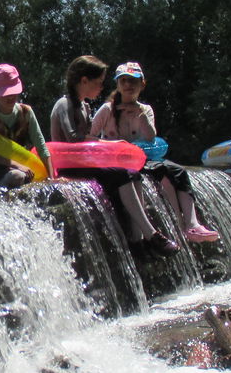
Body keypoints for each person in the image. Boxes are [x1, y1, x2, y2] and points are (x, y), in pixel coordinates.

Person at [50, 55, 179, 256]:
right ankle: (152, 235)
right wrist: (111, 144)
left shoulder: (85, 106)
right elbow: (74, 139)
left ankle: (139, 241)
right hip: (70, 165)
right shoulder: (64, 104)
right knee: (121, 174)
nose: (102, 88)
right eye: (99, 83)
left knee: (133, 173)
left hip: (85, 162)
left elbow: (89, 140)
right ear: (84, 81)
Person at [89, 61, 220, 244]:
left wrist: (139, 114)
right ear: (117, 85)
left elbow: (151, 137)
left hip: (142, 157)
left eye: (133, 81)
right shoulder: (107, 109)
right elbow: (89, 136)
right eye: (124, 81)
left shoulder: (145, 110)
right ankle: (178, 225)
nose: (128, 85)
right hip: (118, 161)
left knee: (178, 171)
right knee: (162, 174)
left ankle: (192, 224)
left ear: (142, 84)